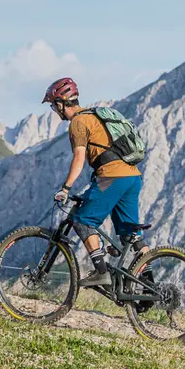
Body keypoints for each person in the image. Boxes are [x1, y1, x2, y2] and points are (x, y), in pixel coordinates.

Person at [42, 77, 146, 289]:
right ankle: (150, 285)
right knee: (131, 234)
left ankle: (101, 272)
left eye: (54, 105)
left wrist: (65, 188)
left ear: (61, 103)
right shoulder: (95, 115)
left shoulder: (78, 122)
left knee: (82, 221)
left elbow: (79, 158)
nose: (54, 110)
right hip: (133, 177)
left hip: (112, 177)